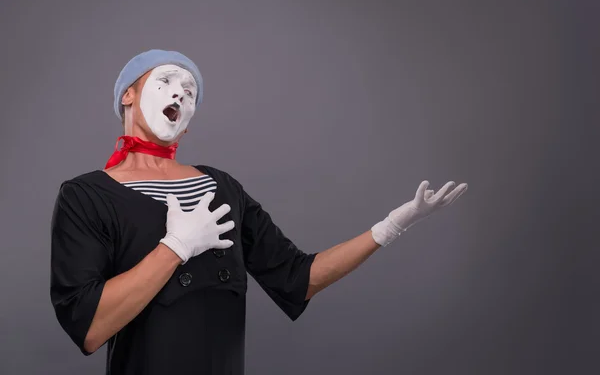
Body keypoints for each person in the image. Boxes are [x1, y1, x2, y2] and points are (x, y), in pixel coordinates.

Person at [50, 49, 468, 375]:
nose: (180, 92)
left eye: (190, 91)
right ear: (128, 95)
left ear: (190, 118)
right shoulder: (87, 196)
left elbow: (298, 278)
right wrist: (176, 246)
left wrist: (391, 225)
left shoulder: (222, 188)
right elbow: (90, 329)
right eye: (166, 81)